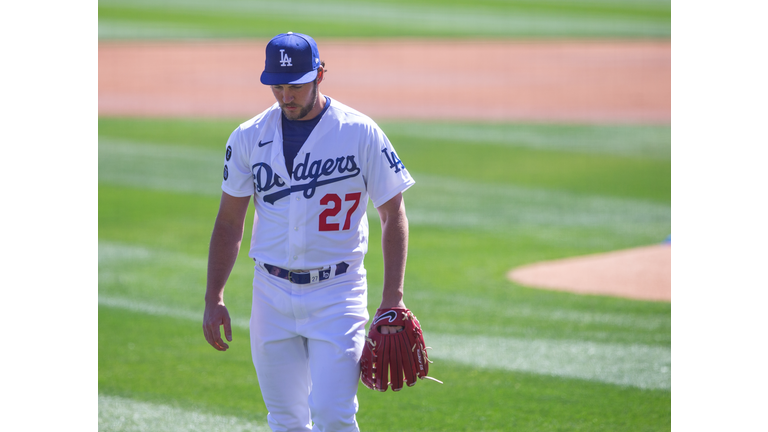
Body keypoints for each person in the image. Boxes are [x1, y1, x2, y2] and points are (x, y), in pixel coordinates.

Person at [202, 32, 415, 432]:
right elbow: (229, 221)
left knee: (334, 414)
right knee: (285, 419)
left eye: (296, 85)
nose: (286, 96)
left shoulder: (360, 132)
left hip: (338, 292)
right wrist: (214, 296)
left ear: (320, 73)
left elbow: (393, 215)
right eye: (277, 86)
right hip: (271, 291)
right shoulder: (248, 137)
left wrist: (393, 298)